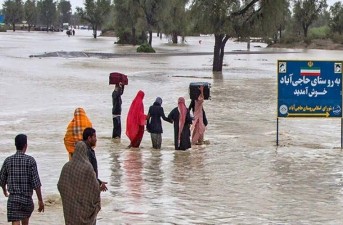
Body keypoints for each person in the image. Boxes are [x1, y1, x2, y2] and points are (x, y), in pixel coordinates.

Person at [0, 134, 44, 225]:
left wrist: (4, 190)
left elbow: (1, 180)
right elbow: (36, 183)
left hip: (13, 199)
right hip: (27, 200)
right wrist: (40, 200)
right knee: (25, 222)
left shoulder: (8, 161)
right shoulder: (30, 161)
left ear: (15, 145)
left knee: (15, 221)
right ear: (25, 145)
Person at [58, 141, 101, 225]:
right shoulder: (88, 167)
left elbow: (60, 185)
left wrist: (70, 196)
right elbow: (94, 187)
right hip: (85, 208)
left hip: (71, 209)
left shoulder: (66, 166)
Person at [83, 127, 108, 192]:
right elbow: (88, 172)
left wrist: (97, 181)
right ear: (89, 138)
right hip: (87, 186)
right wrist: (98, 182)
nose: (96, 139)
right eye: (94, 137)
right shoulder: (87, 152)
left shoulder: (82, 150)